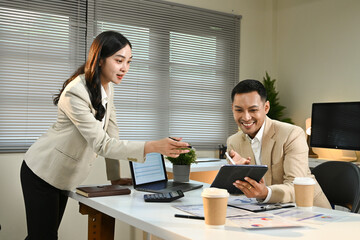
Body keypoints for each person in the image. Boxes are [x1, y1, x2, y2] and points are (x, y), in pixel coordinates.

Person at [20, 31, 191, 240]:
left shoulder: (107, 88)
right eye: (119, 61)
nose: (125, 68)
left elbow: (112, 134)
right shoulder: (76, 92)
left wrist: (115, 177)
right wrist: (153, 146)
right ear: (100, 60)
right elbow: (102, 144)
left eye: (128, 62)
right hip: (42, 172)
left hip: (61, 176)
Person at [226, 79, 330, 208]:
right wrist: (234, 177)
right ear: (232, 109)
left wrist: (265, 193)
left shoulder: (292, 134)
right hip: (269, 213)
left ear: (266, 107)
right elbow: (238, 192)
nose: (246, 117)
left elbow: (295, 186)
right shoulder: (233, 142)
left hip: (309, 210)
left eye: (253, 110)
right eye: (239, 110)